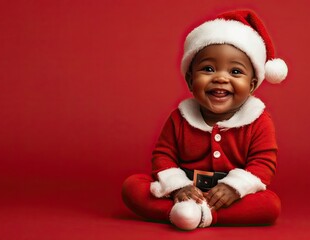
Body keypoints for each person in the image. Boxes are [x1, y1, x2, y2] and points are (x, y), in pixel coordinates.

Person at [121, 9, 288, 230]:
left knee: (269, 205)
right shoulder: (180, 118)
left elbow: (263, 163)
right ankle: (178, 211)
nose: (220, 77)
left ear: (252, 85)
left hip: (230, 197)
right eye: (208, 69)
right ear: (191, 81)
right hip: (186, 191)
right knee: (132, 186)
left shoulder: (258, 120)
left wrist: (234, 187)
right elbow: (163, 155)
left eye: (236, 72)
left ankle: (206, 216)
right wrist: (178, 188)